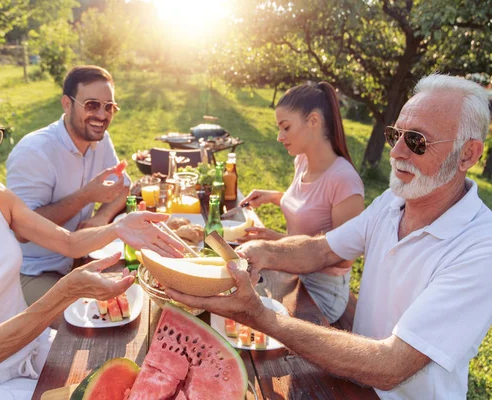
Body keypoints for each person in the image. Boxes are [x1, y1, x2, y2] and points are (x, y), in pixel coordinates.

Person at [167, 74, 492, 399]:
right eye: (395, 135)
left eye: (417, 141)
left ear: (468, 154)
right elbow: (323, 249)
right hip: (352, 380)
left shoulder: (481, 249)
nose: (396, 152)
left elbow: (391, 365)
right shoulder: (391, 203)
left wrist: (260, 317)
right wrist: (262, 251)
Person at [0, 83, 183, 400]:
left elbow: (69, 243)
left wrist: (119, 228)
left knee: (132, 376)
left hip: (36, 349)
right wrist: (67, 291)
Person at [238, 81, 364, 322]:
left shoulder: (345, 181)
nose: (279, 137)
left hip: (321, 293)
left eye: (285, 127)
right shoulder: (303, 162)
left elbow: (344, 256)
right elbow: (307, 205)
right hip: (291, 271)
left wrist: (276, 242)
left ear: (313, 121)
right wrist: (273, 197)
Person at [6, 65, 132, 306]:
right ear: (67, 104)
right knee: (91, 318)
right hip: (34, 271)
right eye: (92, 105)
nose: (102, 115)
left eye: (109, 107)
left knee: (131, 293)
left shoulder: (100, 139)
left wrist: (102, 217)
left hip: (80, 258)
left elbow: (123, 187)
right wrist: (86, 196)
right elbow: (22, 231)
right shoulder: (34, 152)